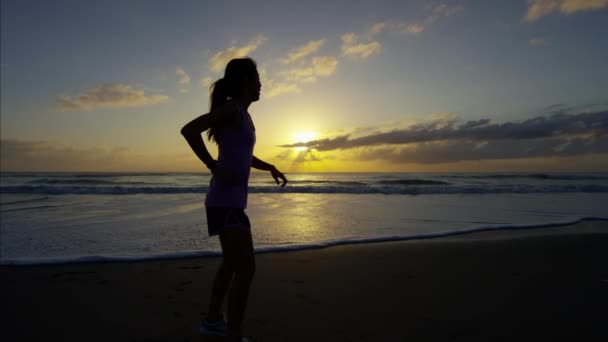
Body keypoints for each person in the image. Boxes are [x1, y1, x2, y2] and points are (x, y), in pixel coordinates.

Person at [180, 57, 287, 342]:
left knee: (231, 263)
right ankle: (233, 334)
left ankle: (213, 320)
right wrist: (213, 167)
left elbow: (243, 156)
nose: (261, 84)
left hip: (230, 203)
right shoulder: (232, 110)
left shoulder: (243, 115)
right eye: (256, 79)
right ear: (244, 82)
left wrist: (269, 167)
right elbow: (189, 130)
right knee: (246, 267)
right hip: (223, 201)